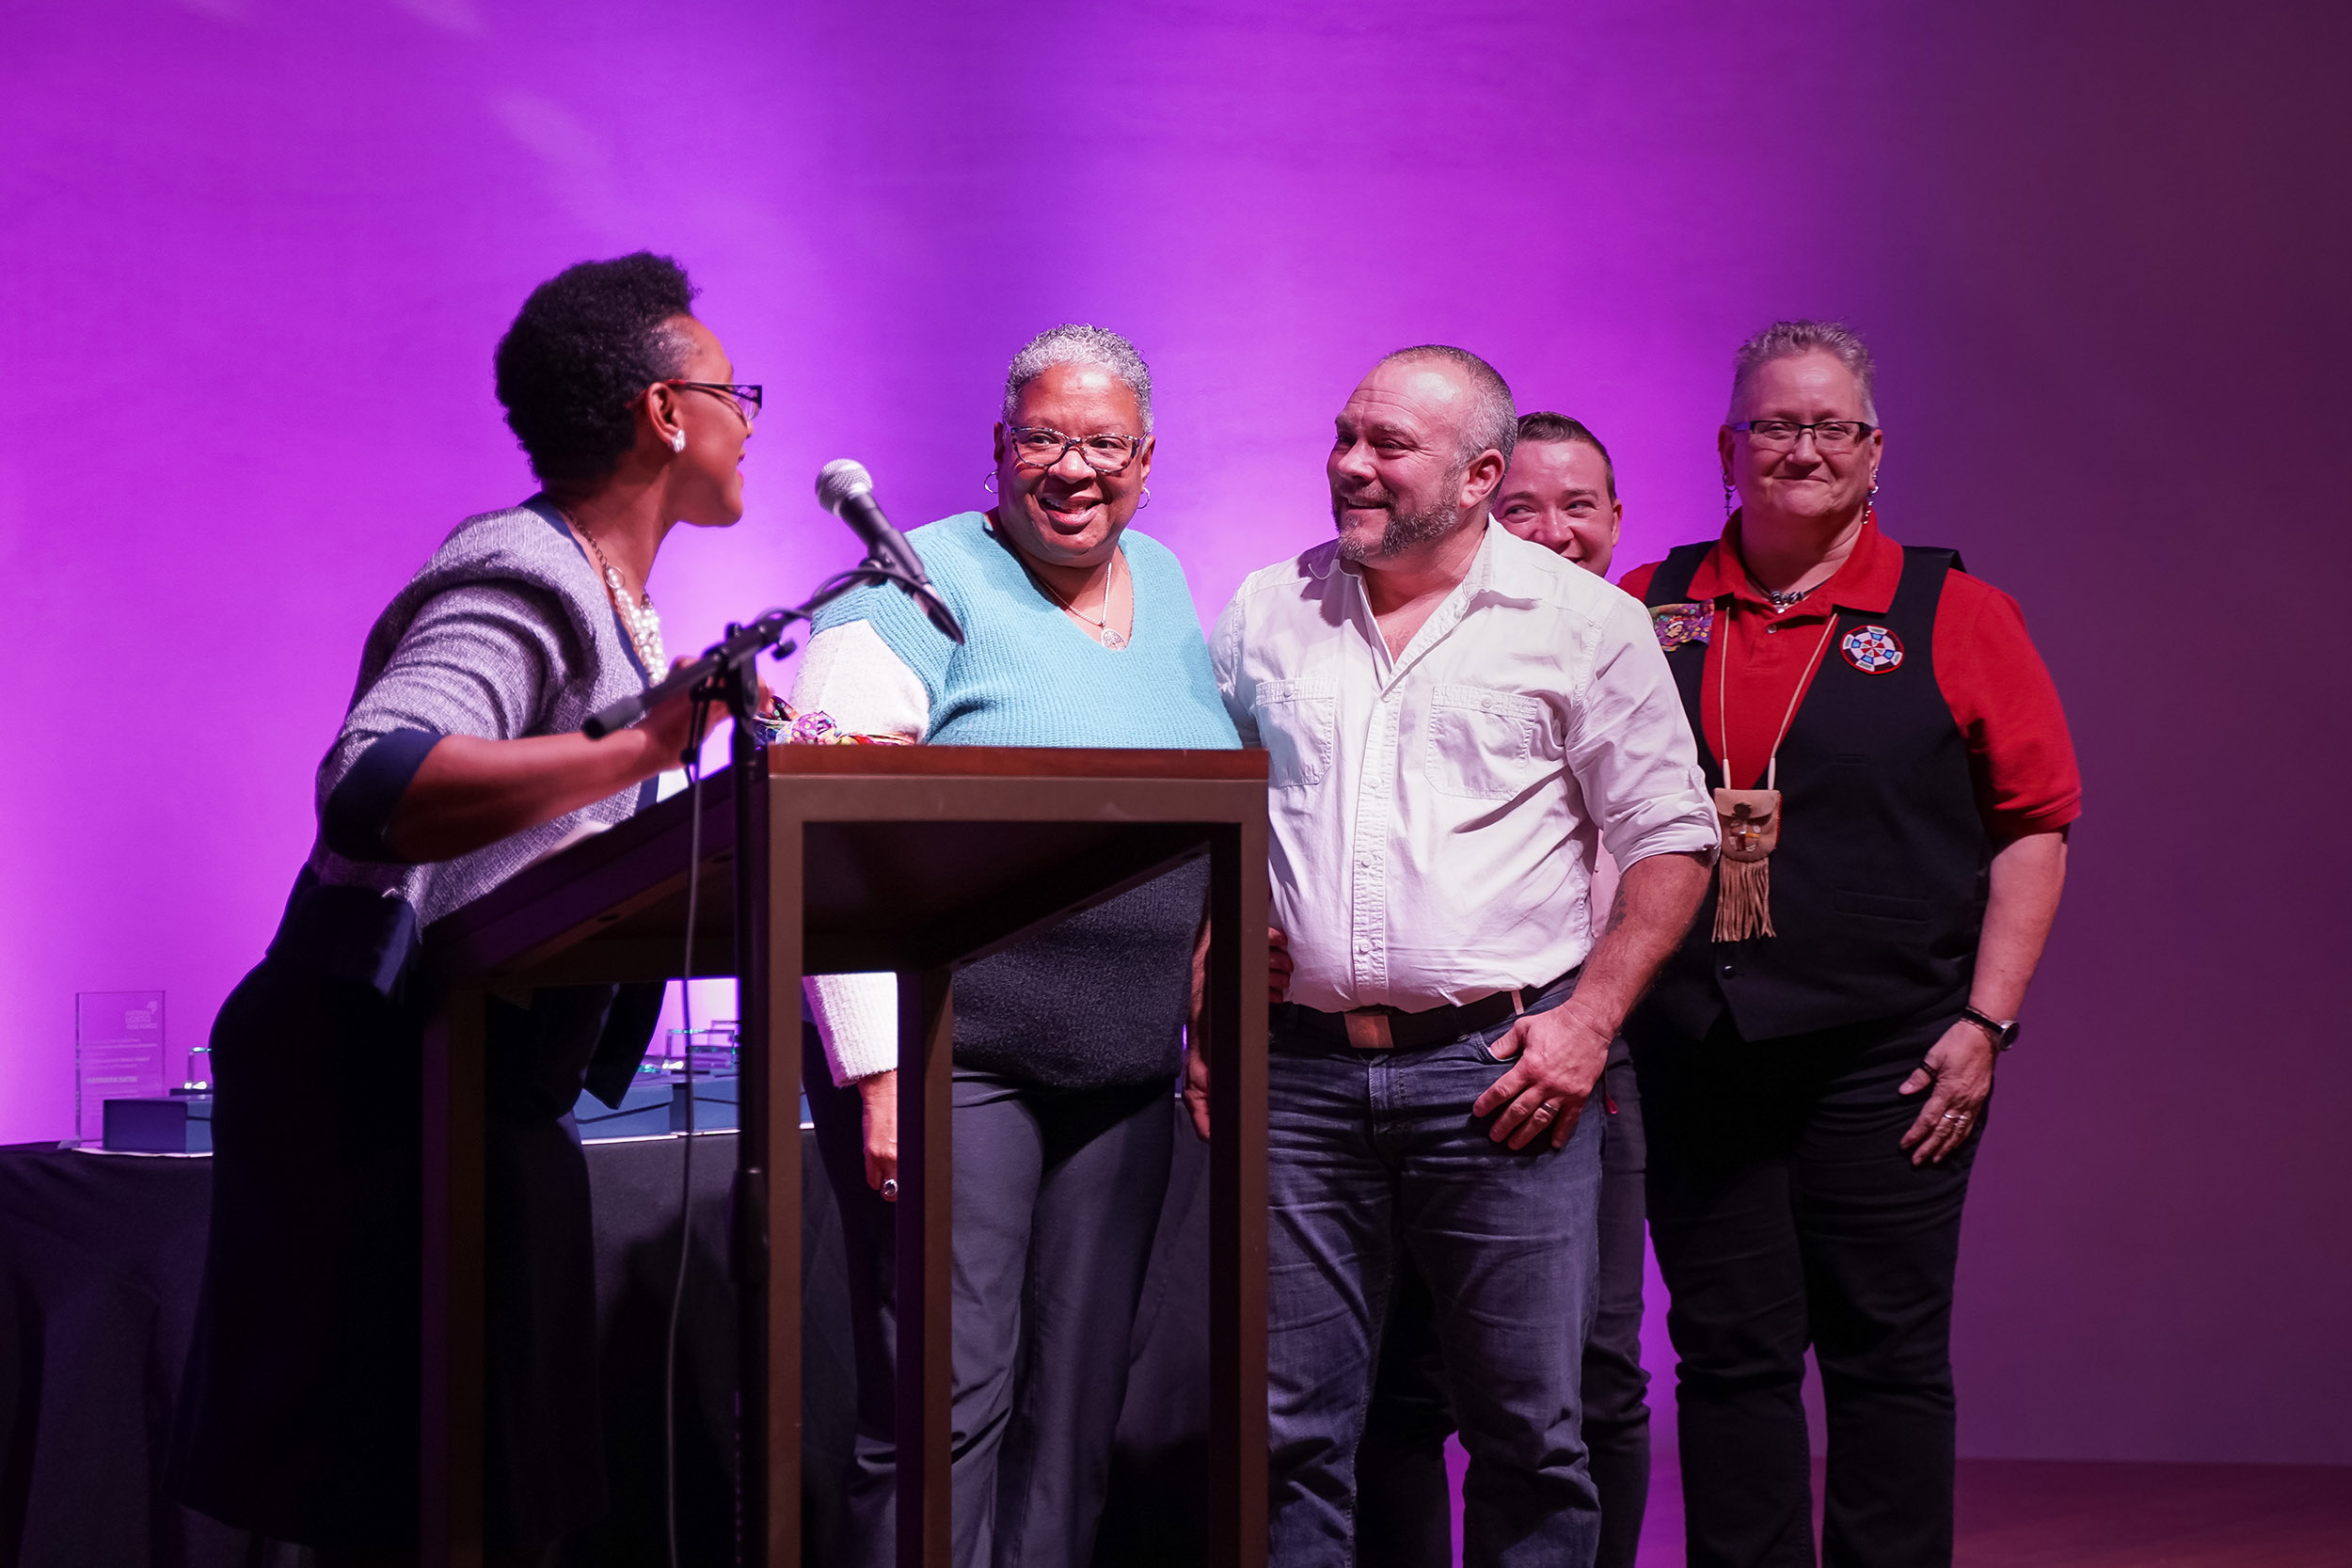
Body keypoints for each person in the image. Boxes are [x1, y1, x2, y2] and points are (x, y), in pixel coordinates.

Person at [173, 253, 759, 1563]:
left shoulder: (615, 602)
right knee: (416, 1504)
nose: (752, 420)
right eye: (737, 392)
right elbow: (373, 780)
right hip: (389, 1100)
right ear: (668, 412)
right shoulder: (520, 567)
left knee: (497, 1503)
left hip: (487, 1099)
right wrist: (637, 750)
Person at [1199, 347, 1719, 1568]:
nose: (1351, 464)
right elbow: (1213, 817)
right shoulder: (1268, 609)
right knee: (1289, 1437)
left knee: (1529, 1436)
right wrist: (1207, 993)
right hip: (1300, 1083)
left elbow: (1674, 837)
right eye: (1344, 434)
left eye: (1388, 445)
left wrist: (1590, 1019)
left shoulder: (1583, 621)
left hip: (1501, 1079)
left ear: (1482, 474)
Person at [1618, 320, 2078, 1568]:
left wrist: (1985, 1025)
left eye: (1833, 426)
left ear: (1876, 454)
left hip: (1893, 1053)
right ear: (1728, 447)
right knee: (1727, 1353)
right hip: (1699, 1046)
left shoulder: (1958, 611)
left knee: (1885, 1355)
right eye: (1776, 423)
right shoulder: (1646, 608)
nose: (1804, 448)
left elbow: (2036, 825)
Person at [790, 325, 1239, 1568]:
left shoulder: (1171, 581)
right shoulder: (913, 581)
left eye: (1103, 442)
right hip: (955, 1057)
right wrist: (879, 1067)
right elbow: (825, 834)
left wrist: (1202, 1006)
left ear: (1147, 460)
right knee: (946, 1397)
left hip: (1124, 1067)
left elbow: (1213, 812)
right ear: (999, 449)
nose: (1072, 466)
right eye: (1044, 436)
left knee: (1077, 1411)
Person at [1354, 410, 1657, 1568]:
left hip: (1591, 1035)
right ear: (1478, 505)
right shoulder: (1418, 634)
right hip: (1435, 1050)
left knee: (1590, 1368)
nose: (1551, 530)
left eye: (1580, 506)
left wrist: (1594, 1013)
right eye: (1522, 506)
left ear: (1617, 520)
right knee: (1406, 1371)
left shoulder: (1620, 639)